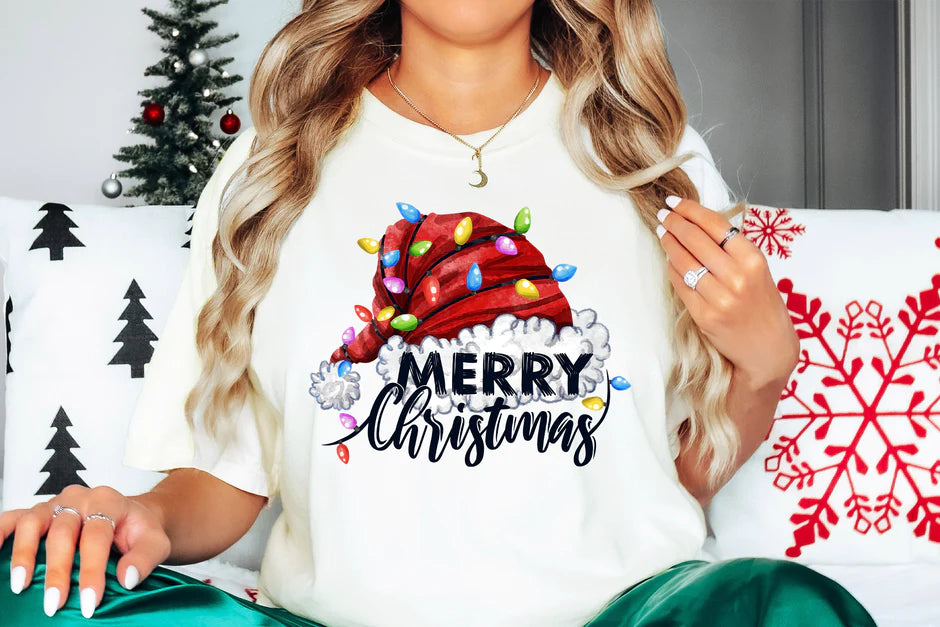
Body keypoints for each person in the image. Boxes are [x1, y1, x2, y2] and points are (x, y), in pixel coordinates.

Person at [0, 1, 878, 625]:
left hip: (623, 615)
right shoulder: (273, 163)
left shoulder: (652, 156)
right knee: (24, 589)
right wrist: (135, 515)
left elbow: (668, 474)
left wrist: (764, 368)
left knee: (795, 610)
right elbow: (232, 475)